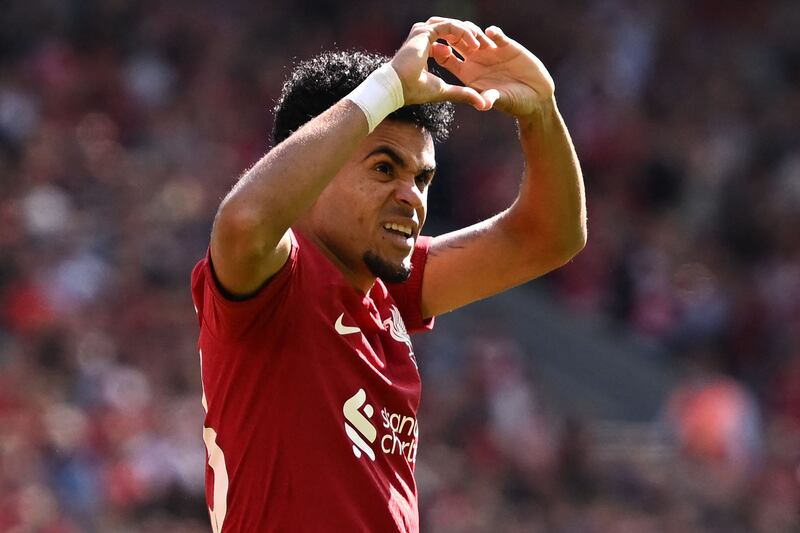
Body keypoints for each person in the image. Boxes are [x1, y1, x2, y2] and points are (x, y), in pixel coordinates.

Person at [191, 16, 586, 532]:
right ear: (313, 167)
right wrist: (386, 89)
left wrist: (542, 113)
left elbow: (548, 238)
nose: (412, 197)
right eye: (384, 169)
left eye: (422, 178)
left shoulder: (385, 294)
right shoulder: (276, 282)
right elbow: (243, 221)